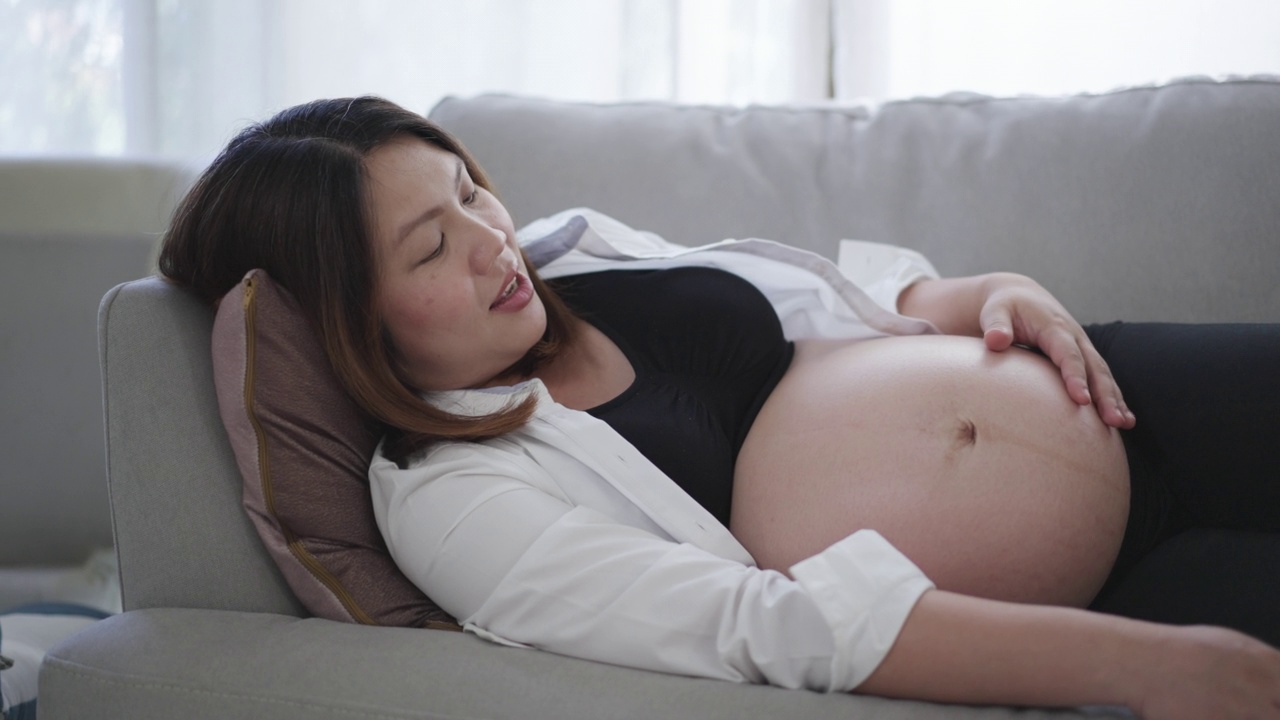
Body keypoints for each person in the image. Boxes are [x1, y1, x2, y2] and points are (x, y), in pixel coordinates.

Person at [158, 96, 1280, 718]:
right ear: (352, 322)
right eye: (429, 248)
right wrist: (1146, 665)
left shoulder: (575, 255)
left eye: (468, 190)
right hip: (1102, 589)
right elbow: (753, 627)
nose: (491, 242)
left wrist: (991, 293)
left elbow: (832, 302)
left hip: (1116, 387)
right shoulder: (455, 500)